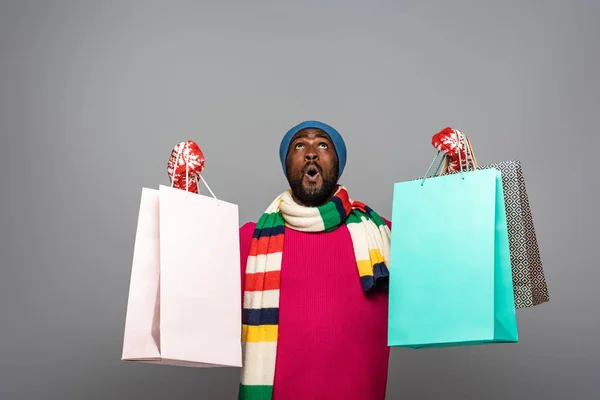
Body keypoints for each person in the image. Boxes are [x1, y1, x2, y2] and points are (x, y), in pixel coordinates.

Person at [237, 120, 392, 400]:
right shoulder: (250, 240)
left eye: (322, 144)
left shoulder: (381, 237)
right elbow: (193, 285)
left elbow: (444, 263)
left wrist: (455, 182)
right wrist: (185, 202)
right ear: (287, 165)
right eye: (300, 145)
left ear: (338, 163)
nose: (311, 152)